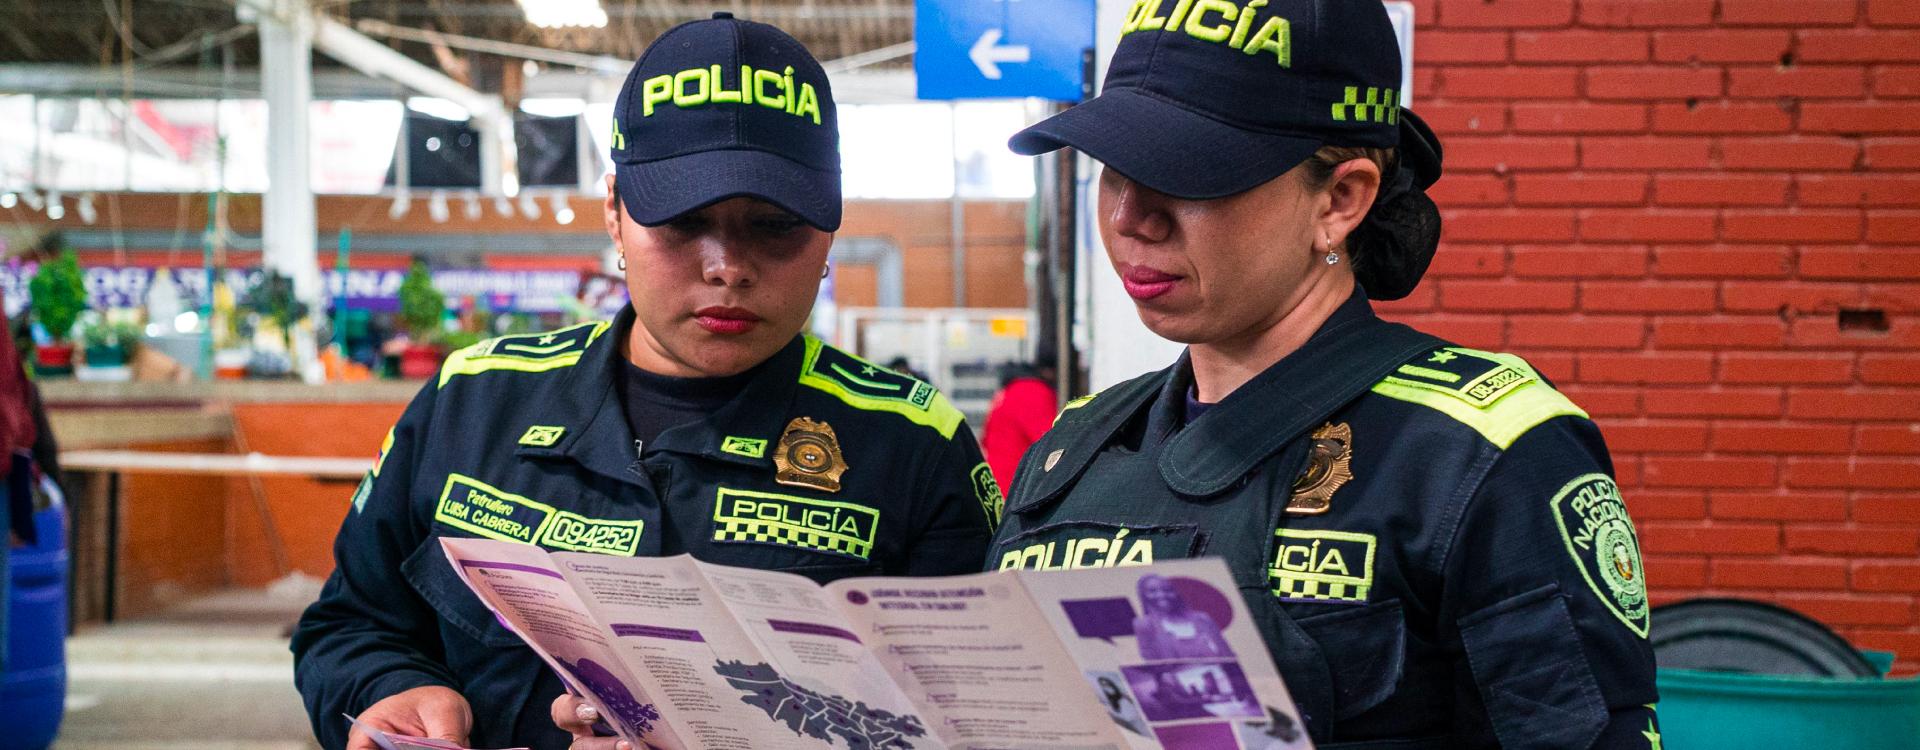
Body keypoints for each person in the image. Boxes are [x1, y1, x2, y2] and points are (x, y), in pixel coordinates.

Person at [292, 14, 999, 750]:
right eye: (684, 221)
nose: (728, 265)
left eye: (774, 224)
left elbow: (980, 718)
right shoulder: (471, 404)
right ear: (614, 213)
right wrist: (396, 688)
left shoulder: (915, 449)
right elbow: (350, 624)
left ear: (830, 227)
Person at [989, 1, 1659, 747]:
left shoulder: (1482, 456)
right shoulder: (1070, 452)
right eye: (1114, 170)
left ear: (1340, 200)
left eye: (1187, 175)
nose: (1129, 218)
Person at [980, 351, 1057, 492]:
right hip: (1017, 488)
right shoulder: (1034, 392)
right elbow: (1051, 443)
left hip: (996, 487)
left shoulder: (1006, 392)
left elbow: (985, 439)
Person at [1132, 574, 1231, 660]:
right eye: (1152, 591)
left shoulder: (1202, 619)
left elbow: (1228, 654)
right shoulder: (1144, 625)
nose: (1161, 595)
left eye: (1167, 590)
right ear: (1143, 596)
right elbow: (1152, 662)